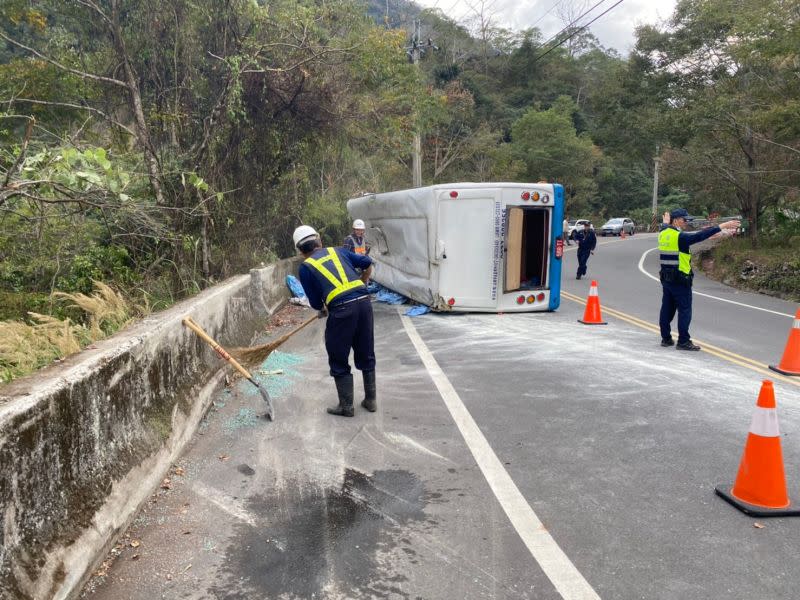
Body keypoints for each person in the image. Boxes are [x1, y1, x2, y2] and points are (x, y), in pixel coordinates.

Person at [294, 225, 377, 417]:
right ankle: (371, 400)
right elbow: (367, 262)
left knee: (338, 355)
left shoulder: (305, 268)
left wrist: (323, 309)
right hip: (364, 304)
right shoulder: (338, 250)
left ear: (300, 251)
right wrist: (362, 282)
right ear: (319, 241)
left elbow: (315, 302)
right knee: (365, 350)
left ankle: (346, 406)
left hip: (342, 310)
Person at [658, 208, 740, 350]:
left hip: (666, 279)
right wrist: (722, 226)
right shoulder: (680, 238)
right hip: (681, 279)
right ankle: (683, 341)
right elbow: (700, 236)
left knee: (667, 308)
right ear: (676, 220)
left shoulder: (663, 233)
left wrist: (665, 223)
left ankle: (666, 339)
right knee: (685, 310)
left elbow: (666, 227)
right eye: (684, 220)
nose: (686, 223)